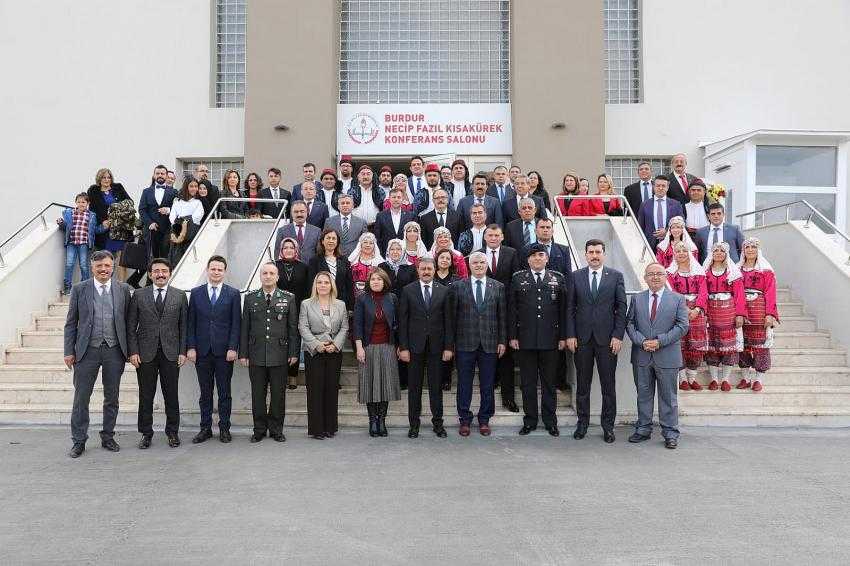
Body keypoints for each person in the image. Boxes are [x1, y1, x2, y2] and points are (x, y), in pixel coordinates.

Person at [63, 250, 131, 458]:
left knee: (112, 397)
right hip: (86, 351)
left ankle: (108, 436)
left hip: (114, 350)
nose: (103, 269)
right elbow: (71, 322)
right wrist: (68, 351)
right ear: (92, 267)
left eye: (107, 266)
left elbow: (129, 323)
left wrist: (131, 350)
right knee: (81, 398)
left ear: (113, 267)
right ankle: (79, 440)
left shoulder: (124, 289)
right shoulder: (79, 289)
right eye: (99, 266)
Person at [567, 239, 627, 443]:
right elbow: (570, 308)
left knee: (608, 386)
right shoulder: (575, 277)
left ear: (604, 254)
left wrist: (618, 335)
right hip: (582, 340)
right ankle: (582, 424)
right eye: (590, 252)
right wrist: (571, 334)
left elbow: (621, 308)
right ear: (585, 254)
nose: (594, 255)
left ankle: (608, 427)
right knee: (583, 385)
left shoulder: (616, 276)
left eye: (598, 252)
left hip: (607, 340)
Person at [626, 262, 689, 449]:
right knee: (643, 395)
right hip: (642, 355)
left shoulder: (677, 299)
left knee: (668, 397)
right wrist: (642, 341)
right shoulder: (637, 299)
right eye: (650, 274)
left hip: (667, 355)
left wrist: (660, 341)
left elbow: (682, 326)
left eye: (659, 274)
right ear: (645, 278)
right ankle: (643, 429)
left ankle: (670, 433)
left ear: (665, 277)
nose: (655, 277)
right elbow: (629, 324)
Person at [127, 258, 187, 449]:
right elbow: (130, 326)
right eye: (156, 271)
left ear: (170, 273)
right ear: (150, 274)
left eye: (164, 271)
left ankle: (172, 432)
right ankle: (146, 433)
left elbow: (184, 327)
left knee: (171, 395)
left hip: (171, 353)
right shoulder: (138, 294)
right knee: (146, 395)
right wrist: (133, 351)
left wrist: (182, 351)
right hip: (145, 354)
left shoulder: (179, 296)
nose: (160, 274)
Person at [510, 244, 568, 437]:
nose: (537, 258)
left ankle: (550, 421)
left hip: (550, 340)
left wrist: (562, 337)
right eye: (533, 255)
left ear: (547, 258)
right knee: (528, 383)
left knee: (549, 383)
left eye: (541, 255)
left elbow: (563, 311)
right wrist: (512, 336)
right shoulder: (518, 279)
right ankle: (530, 421)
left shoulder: (557, 279)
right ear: (528, 259)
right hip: (525, 340)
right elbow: (512, 310)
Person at [239, 263, 299, 443]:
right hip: (256, 354)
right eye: (264, 273)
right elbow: (245, 328)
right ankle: (258, 430)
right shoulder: (250, 298)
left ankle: (276, 429)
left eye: (271, 273)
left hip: (280, 354)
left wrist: (293, 352)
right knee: (258, 395)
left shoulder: (288, 298)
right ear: (260, 276)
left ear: (277, 276)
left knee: (278, 396)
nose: (268, 276)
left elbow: (292, 328)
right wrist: (244, 353)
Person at [449, 252, 507, 437]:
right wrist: (451, 344)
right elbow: (453, 318)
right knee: (464, 383)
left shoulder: (498, 287)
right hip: (465, 342)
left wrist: (502, 341)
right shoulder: (458, 286)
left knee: (487, 384)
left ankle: (484, 420)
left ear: (487, 264)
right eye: (475, 262)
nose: (479, 265)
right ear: (469, 265)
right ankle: (464, 420)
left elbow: (502, 317)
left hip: (490, 343)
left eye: (482, 262)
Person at [187, 255, 242, 444]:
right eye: (213, 269)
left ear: (224, 272)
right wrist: (191, 347)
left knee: (225, 392)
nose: (216, 272)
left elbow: (236, 324)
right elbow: (190, 323)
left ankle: (225, 428)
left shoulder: (233, 294)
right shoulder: (195, 293)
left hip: (224, 352)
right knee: (205, 393)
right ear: (207, 270)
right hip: (202, 351)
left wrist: (233, 347)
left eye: (220, 269)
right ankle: (205, 428)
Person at [398, 257, 453, 438]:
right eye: (423, 269)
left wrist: (448, 347)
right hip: (414, 348)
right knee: (414, 388)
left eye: (429, 268)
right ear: (418, 270)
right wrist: (403, 347)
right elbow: (403, 321)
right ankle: (414, 425)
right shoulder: (408, 290)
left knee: (436, 388)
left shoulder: (444, 291)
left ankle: (438, 424)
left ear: (435, 269)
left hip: (437, 348)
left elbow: (448, 321)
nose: (426, 271)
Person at [299, 271, 348, 439]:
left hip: (334, 351)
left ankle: (330, 427)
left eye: (326, 282)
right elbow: (303, 327)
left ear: (331, 285)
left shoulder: (340, 305)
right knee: (315, 390)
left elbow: (344, 327)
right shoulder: (306, 304)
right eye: (319, 282)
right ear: (315, 285)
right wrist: (317, 345)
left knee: (331, 389)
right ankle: (317, 429)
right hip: (314, 352)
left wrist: (335, 345)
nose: (323, 285)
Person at [353, 268, 400, 437]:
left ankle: (382, 421)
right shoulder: (362, 298)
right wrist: (359, 347)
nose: (376, 282)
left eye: (379, 279)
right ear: (368, 281)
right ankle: (372, 421)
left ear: (384, 281)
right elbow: (357, 325)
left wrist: (399, 345)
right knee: (370, 385)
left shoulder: (392, 298)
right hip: (368, 347)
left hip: (388, 347)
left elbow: (398, 324)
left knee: (386, 386)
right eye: (373, 279)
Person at [480, 224, 521, 411]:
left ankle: (508, 398)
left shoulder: (511, 253)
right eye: (490, 235)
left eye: (497, 235)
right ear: (485, 236)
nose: (494, 238)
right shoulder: (478, 255)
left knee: (507, 357)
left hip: (506, 308)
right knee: (487, 352)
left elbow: (515, 280)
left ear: (502, 237)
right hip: (484, 311)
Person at [703, 242, 747, 392]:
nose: (719, 253)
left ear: (726, 254)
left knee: (728, 346)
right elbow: (702, 292)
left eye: (722, 251)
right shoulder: (705, 271)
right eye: (716, 250)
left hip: (728, 311)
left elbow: (740, 295)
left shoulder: (732, 272)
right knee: (712, 346)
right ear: (712, 253)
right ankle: (714, 379)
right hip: (711, 311)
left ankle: (725, 380)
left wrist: (740, 314)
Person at [736, 238, 779, 392]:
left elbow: (770, 292)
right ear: (743, 250)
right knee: (743, 344)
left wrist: (770, 314)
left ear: (758, 249)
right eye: (747, 247)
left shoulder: (766, 269)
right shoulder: (737, 269)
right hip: (741, 309)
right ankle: (746, 378)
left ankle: (759, 379)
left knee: (760, 345)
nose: (750, 250)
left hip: (759, 309)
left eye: (753, 247)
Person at [667, 241, 710, 391]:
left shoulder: (699, 272)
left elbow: (703, 292)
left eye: (684, 250)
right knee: (680, 345)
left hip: (696, 311)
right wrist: (684, 308)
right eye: (678, 251)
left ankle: (692, 378)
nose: (681, 253)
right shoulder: (670, 273)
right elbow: (671, 291)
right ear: (674, 254)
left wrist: (697, 309)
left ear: (689, 252)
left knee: (695, 346)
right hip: (678, 310)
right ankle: (683, 378)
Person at [87, 168, 134, 281]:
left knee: (122, 260)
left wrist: (115, 210)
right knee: (106, 259)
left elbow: (129, 202)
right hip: (106, 230)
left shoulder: (118, 187)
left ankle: (122, 285)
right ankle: (105, 284)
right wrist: (102, 221)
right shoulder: (93, 191)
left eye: (109, 177)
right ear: (99, 178)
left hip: (121, 229)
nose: (107, 179)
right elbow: (93, 209)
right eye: (104, 177)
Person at [276, 237, 310, 388]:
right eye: (285, 248)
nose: (288, 250)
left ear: (296, 250)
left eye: (291, 248)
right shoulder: (274, 266)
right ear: (281, 250)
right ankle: (280, 374)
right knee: (279, 341)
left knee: (294, 340)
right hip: (278, 309)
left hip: (298, 308)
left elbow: (308, 289)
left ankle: (293, 375)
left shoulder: (303, 267)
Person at [57, 193, 105, 294]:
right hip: (71, 243)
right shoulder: (70, 213)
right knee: (69, 264)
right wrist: (61, 223)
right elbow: (66, 227)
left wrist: (104, 227)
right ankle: (67, 288)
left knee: (83, 265)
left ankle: (85, 288)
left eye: (83, 202)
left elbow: (94, 230)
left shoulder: (91, 215)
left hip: (84, 243)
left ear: (88, 203)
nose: (81, 204)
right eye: (79, 202)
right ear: (76, 202)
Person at [308, 228, 354, 310]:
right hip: (320, 303)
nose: (331, 241)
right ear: (322, 241)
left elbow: (349, 284)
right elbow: (311, 284)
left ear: (337, 242)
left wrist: (350, 306)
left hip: (341, 303)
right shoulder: (314, 260)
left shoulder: (344, 260)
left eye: (334, 238)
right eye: (328, 238)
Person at [138, 164, 177, 259]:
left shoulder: (174, 192)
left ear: (166, 176)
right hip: (151, 230)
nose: (160, 175)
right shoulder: (146, 191)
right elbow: (142, 209)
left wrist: (169, 210)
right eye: (157, 173)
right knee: (150, 259)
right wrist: (149, 223)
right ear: (154, 175)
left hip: (167, 230)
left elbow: (179, 209)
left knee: (165, 257)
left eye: (162, 173)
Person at [637, 175, 685, 251]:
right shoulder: (644, 205)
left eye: (663, 186)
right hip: (650, 245)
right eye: (658, 185)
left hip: (671, 244)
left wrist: (667, 231)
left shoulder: (676, 204)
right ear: (653, 187)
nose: (660, 188)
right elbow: (640, 227)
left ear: (667, 188)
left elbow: (681, 223)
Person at [168, 176, 205, 267]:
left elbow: (196, 218)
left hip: (191, 236)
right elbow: (172, 218)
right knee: (175, 263)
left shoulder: (198, 203)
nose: (194, 189)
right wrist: (178, 222)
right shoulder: (177, 202)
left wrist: (181, 219)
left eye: (196, 186)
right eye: (191, 186)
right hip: (176, 235)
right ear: (186, 187)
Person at [375, 187, 416, 255]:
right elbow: (378, 238)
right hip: (386, 254)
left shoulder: (411, 216)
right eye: (394, 197)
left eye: (398, 197)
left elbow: (414, 237)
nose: (396, 199)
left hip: (406, 254)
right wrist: (381, 255)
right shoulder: (380, 216)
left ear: (402, 199)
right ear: (389, 199)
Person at [348, 232, 385, 305]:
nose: (368, 245)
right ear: (360, 245)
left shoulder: (380, 263)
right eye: (365, 242)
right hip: (354, 298)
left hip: (375, 298)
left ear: (374, 246)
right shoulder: (352, 261)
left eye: (371, 243)